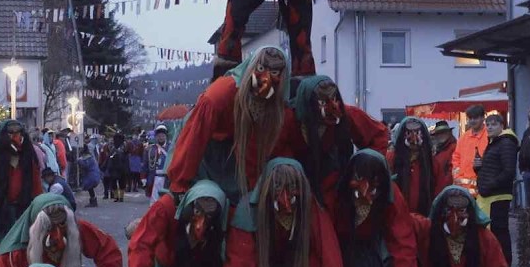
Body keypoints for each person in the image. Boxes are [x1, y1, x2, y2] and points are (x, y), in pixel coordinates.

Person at [167, 46, 296, 205]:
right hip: (205, 155)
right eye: (261, 69)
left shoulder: (278, 110)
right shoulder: (220, 94)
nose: (265, 79)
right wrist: (180, 183)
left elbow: (274, 146)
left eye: (274, 73)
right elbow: (194, 137)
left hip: (239, 161)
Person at [222, 159, 343, 267]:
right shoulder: (249, 210)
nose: (285, 196)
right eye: (278, 186)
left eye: (292, 186)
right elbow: (240, 261)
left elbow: (328, 250)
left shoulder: (310, 206)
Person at [287, 75, 388, 216]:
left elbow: (379, 135)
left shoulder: (347, 115)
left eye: (334, 99)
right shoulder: (289, 119)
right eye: (324, 102)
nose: (333, 106)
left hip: (334, 184)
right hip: (295, 186)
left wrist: (366, 168)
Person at [332, 150, 420, 267]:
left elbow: (402, 243)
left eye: (372, 185)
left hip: (372, 259)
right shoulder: (338, 192)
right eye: (359, 180)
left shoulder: (392, 197)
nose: (364, 193)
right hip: (340, 253)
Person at [128, 181, 229, 267]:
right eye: (199, 210)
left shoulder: (228, 215)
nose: (201, 222)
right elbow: (141, 246)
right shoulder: (167, 206)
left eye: (209, 214)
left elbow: (238, 260)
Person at [474, 112, 518, 263]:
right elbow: (493, 169)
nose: (490, 127)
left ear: (502, 126)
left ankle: (504, 263)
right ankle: (496, 263)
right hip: (490, 195)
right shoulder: (495, 142)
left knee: (499, 232)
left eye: (494, 124)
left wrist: (489, 185)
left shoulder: (506, 143)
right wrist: (478, 169)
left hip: (498, 196)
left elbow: (508, 171)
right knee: (494, 232)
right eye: (488, 124)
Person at [388, 117, 435, 217]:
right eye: (409, 132)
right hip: (398, 215)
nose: (414, 138)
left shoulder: (431, 161)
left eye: (417, 132)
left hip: (423, 215)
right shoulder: (391, 158)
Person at [450, 105, 488, 198]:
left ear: (483, 118)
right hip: (464, 191)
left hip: (483, 189)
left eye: (475, 118)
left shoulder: (489, 136)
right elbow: (456, 158)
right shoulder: (463, 137)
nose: (472, 121)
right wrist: (458, 177)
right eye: (470, 118)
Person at [429, 120, 457, 197]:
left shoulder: (454, 148)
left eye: (443, 132)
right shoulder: (439, 150)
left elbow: (451, 172)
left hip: (446, 192)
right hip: (438, 191)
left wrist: (444, 190)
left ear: (449, 133)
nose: (440, 135)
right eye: (438, 134)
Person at [144, 124, 171, 198]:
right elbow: (145, 164)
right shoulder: (150, 149)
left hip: (167, 179)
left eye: (162, 135)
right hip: (154, 178)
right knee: (154, 202)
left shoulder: (171, 148)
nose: (161, 137)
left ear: (166, 136)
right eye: (159, 136)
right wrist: (143, 178)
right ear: (156, 137)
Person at [104, 133, 129, 203]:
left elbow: (108, 157)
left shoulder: (112, 147)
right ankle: (121, 197)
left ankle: (117, 197)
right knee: (121, 182)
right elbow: (126, 158)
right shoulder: (124, 147)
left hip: (113, 167)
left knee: (114, 182)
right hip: (120, 167)